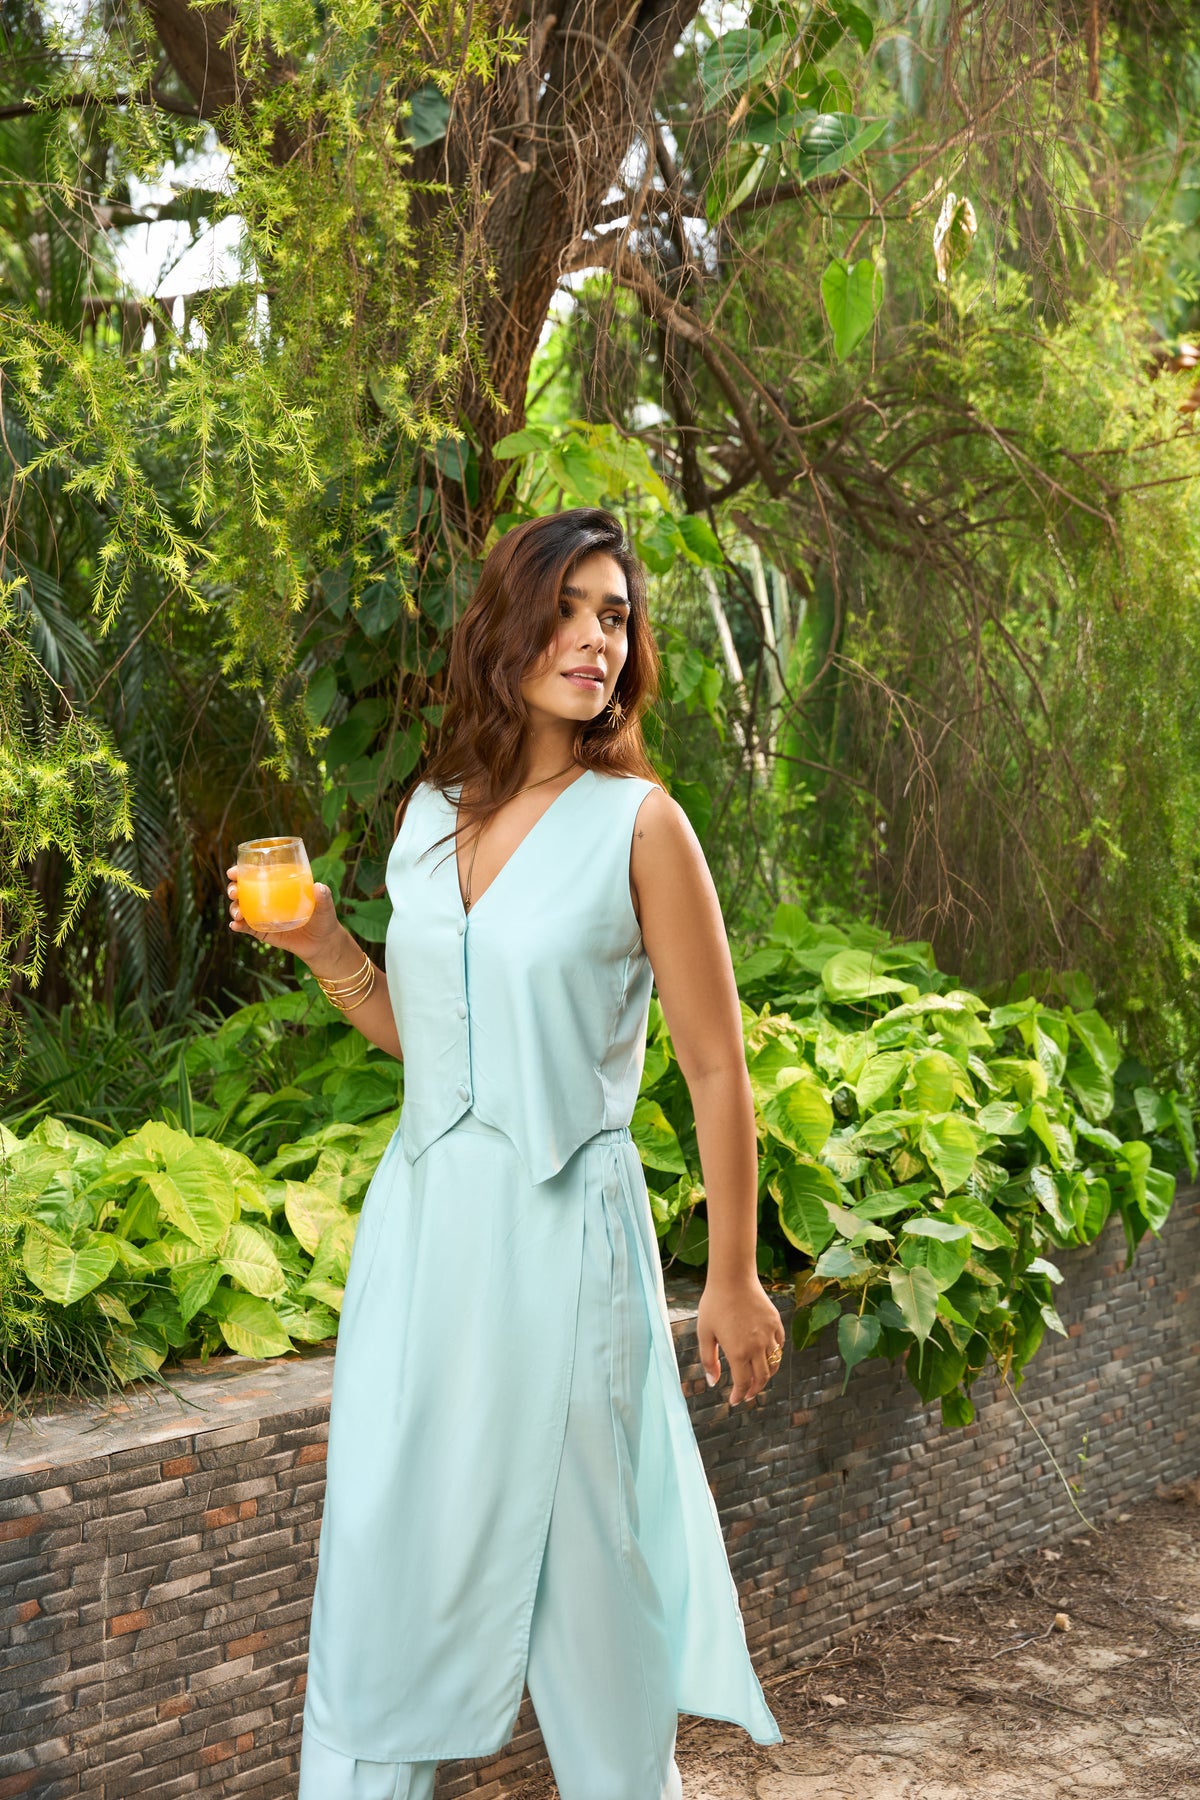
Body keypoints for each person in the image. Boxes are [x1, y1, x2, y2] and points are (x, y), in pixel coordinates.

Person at [226, 507, 786, 1799]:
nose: (597, 639)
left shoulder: (641, 825)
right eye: (571, 609)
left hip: (565, 1239)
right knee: (388, 1551)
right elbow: (430, 1041)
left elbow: (715, 1067)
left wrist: (734, 1276)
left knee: (590, 1575)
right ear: (507, 626)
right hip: (423, 1240)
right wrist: (322, 943)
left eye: (616, 617)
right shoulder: (429, 818)